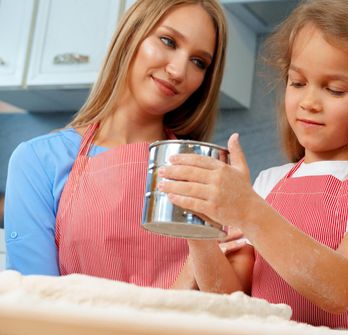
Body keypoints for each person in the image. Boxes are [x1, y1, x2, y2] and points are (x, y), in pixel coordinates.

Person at [161, 0, 348, 331]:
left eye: (334, 89)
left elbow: (341, 289)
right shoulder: (268, 182)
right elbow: (232, 301)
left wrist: (248, 210)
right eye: (297, 82)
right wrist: (200, 226)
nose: (308, 102)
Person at [4, 0, 228, 288]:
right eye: (168, 41)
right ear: (131, 34)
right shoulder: (37, 160)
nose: (178, 71)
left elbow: (223, 302)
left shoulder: (201, 173)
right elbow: (36, 298)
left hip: (176, 333)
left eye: (199, 62)